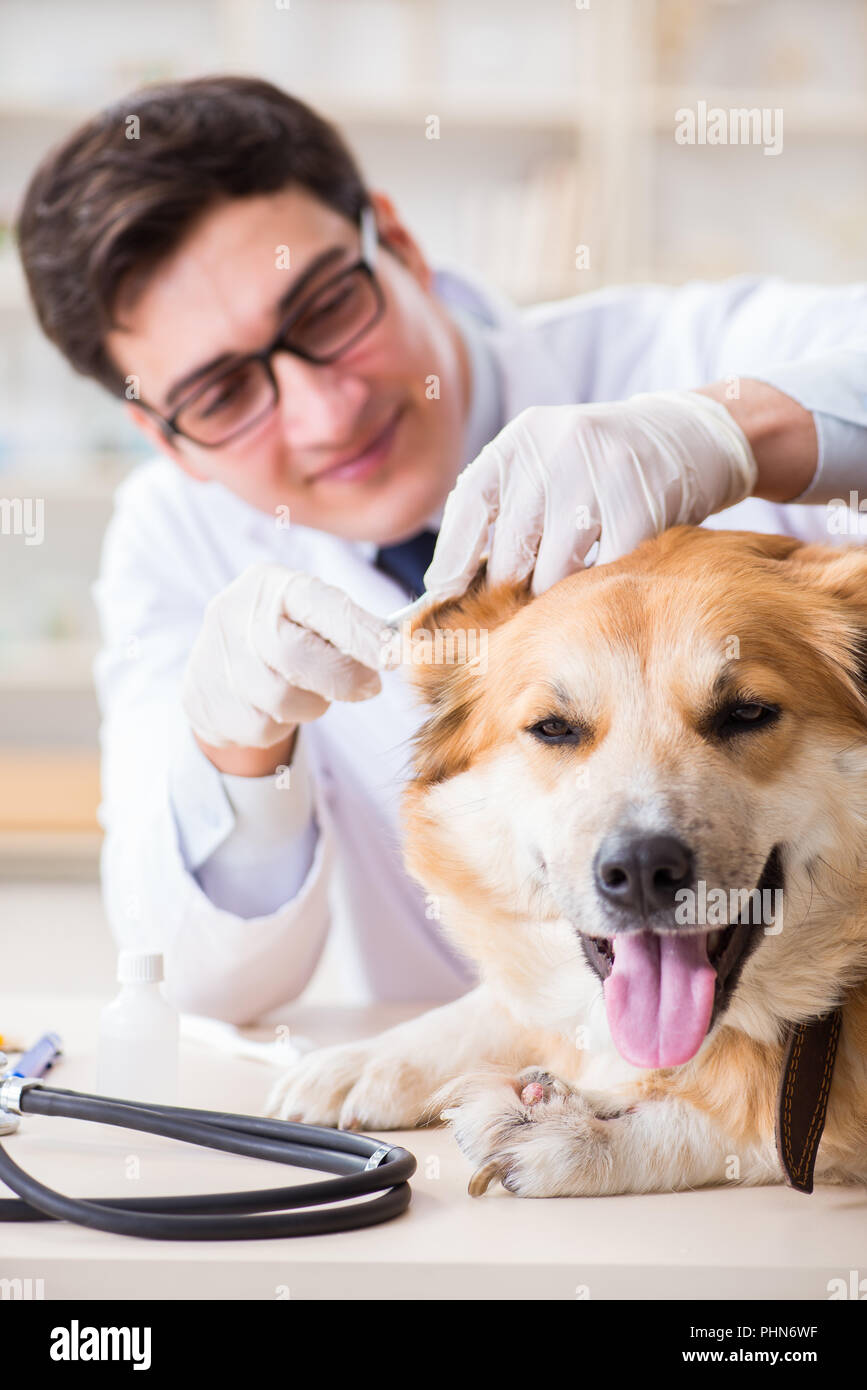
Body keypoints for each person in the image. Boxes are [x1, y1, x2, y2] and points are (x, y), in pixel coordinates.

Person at [16, 76, 867, 1023]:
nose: (325, 412)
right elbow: (201, 984)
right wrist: (233, 748)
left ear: (401, 246)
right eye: (221, 395)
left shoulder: (679, 351)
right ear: (164, 439)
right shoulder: (174, 541)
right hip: (459, 1132)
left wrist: (732, 430)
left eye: (327, 310)